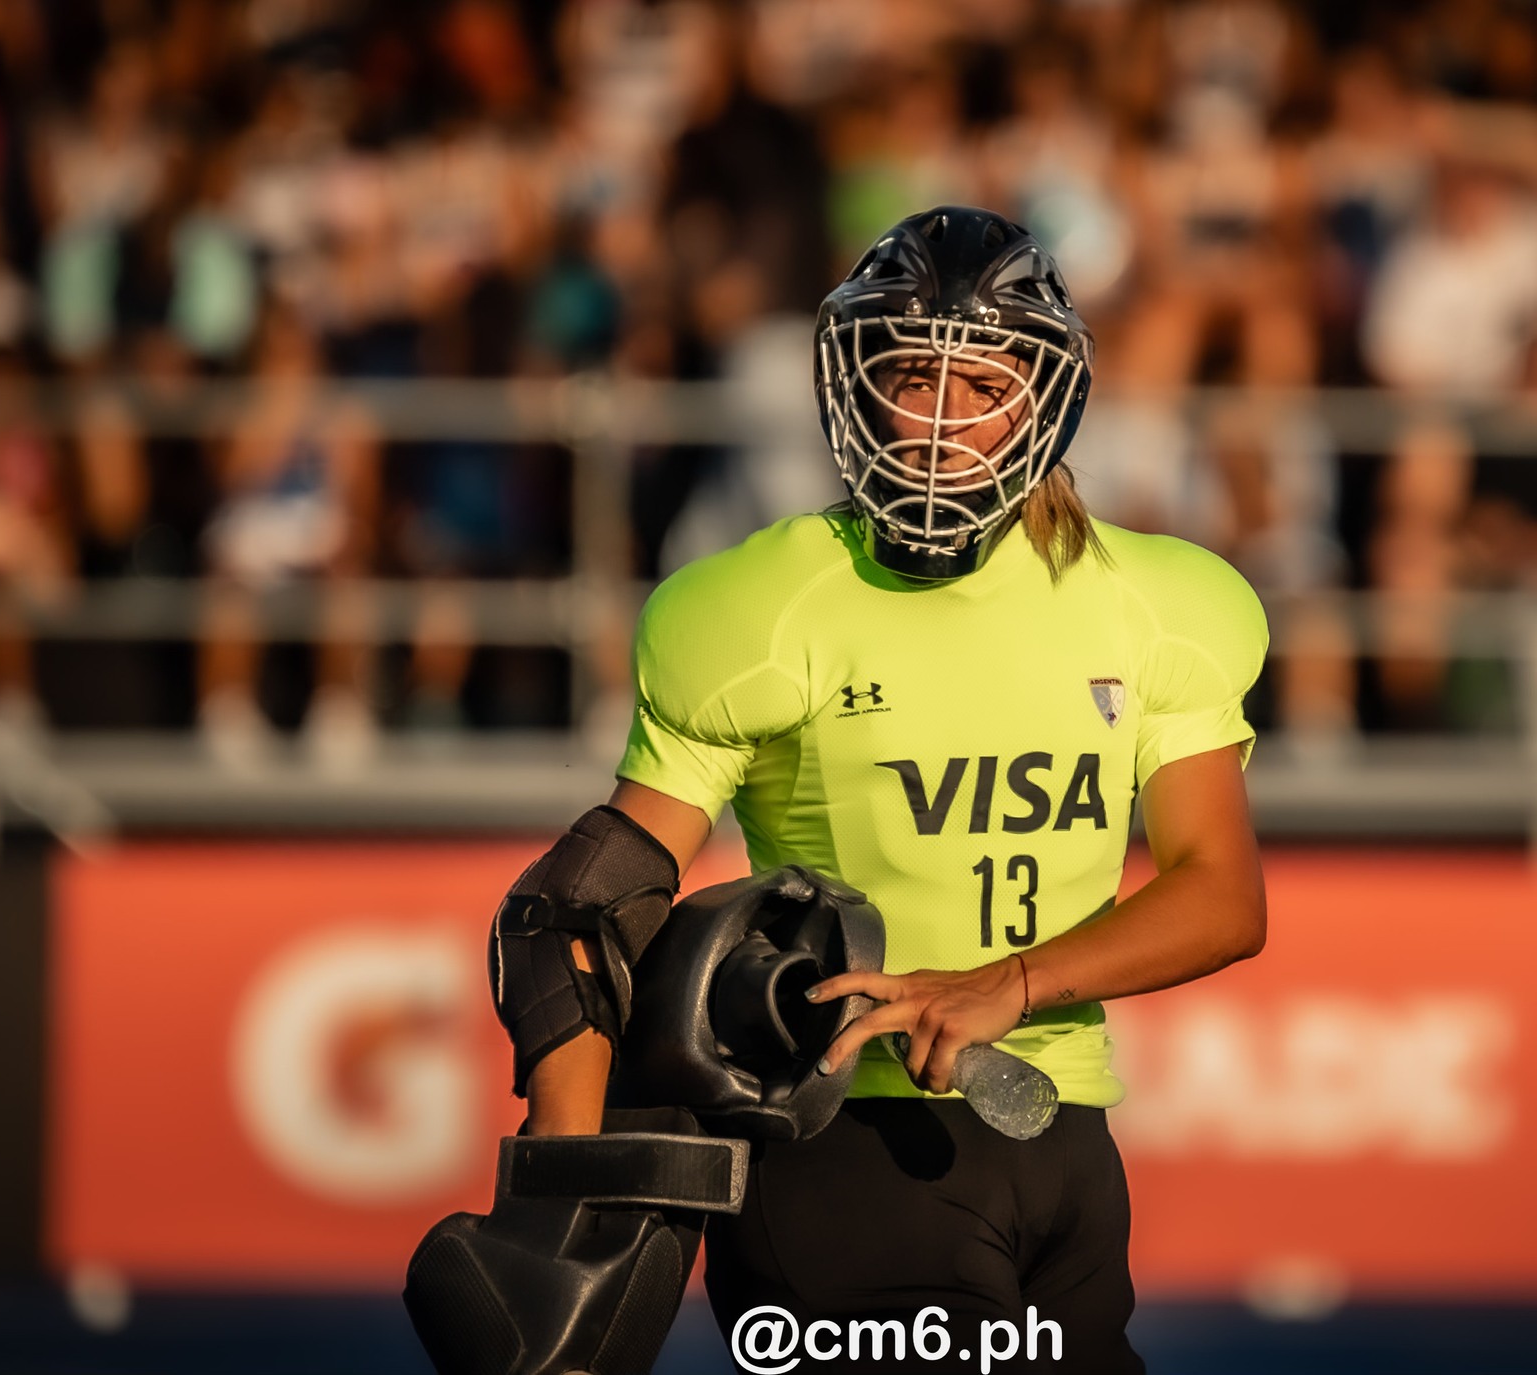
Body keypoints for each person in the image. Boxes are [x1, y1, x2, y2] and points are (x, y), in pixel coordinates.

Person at [504, 207, 1269, 1374]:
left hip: (1057, 1137)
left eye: (983, 383)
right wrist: (568, 1187)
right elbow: (580, 906)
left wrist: (1004, 985)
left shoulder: (1164, 603)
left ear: (1043, 400)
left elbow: (1221, 897)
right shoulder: (762, 602)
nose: (944, 422)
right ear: (857, 390)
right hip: (839, 1146)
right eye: (915, 377)